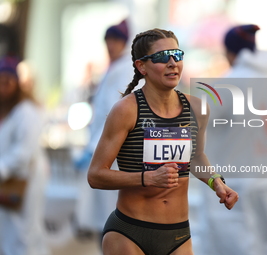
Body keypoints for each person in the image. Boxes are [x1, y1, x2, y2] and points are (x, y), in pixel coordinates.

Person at [87, 28, 239, 255]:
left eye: (177, 55)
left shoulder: (197, 108)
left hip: (178, 234)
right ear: (141, 66)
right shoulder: (126, 110)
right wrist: (147, 178)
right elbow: (96, 175)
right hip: (130, 232)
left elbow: (195, 157)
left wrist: (216, 183)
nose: (172, 63)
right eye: (161, 57)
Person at [200, 24, 267, 255]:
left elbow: (195, 125)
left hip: (233, 186)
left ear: (230, 53)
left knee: (231, 245)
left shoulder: (223, 86)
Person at [74, 19, 136, 241]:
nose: (111, 45)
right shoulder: (113, 69)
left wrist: (93, 148)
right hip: (104, 147)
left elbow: (114, 114)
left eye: (116, 40)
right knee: (104, 220)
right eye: (108, 40)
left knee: (112, 220)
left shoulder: (123, 70)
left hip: (113, 150)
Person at [0, 56, 50, 255]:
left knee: (25, 233)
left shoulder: (26, 111)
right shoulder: (7, 111)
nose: (3, 87)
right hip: (8, 178)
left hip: (25, 179)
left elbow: (23, 152)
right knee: (9, 231)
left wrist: (2, 168)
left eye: (8, 82)